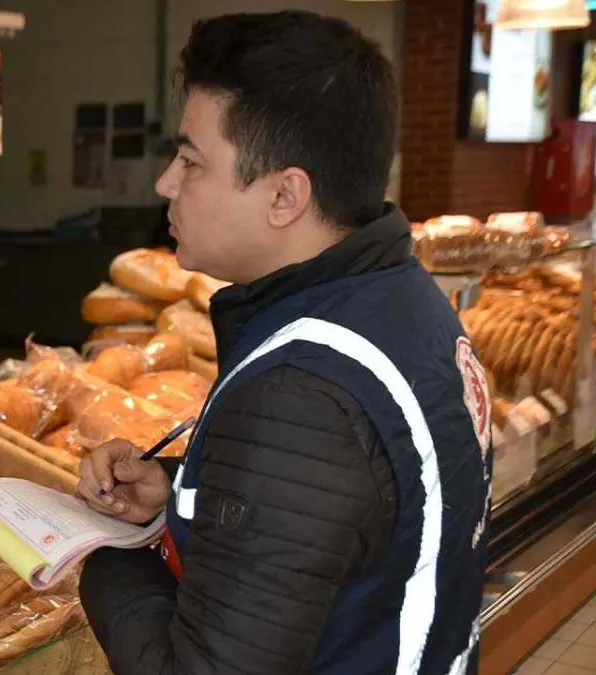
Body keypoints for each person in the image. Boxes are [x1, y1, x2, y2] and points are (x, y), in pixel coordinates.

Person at [76, 11, 491, 675]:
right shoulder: (401, 295)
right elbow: (345, 508)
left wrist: (100, 549)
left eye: (190, 160)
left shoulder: (299, 392)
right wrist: (182, 492)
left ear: (284, 196)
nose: (165, 184)